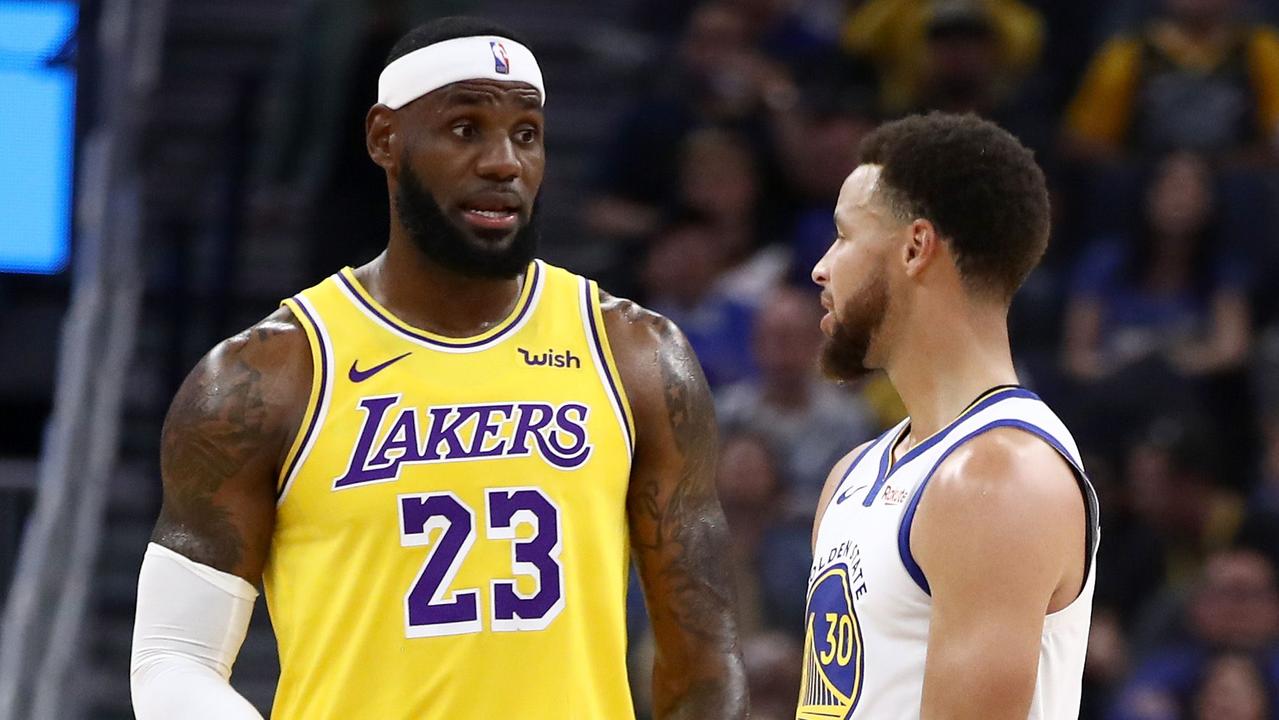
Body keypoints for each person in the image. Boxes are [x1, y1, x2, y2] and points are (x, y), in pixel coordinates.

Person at [129, 17, 746, 720]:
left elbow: (703, 665)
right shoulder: (265, 376)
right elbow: (172, 658)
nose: (503, 162)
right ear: (384, 138)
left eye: (525, 134)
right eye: (465, 129)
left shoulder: (636, 355)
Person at [799, 112, 1099, 719]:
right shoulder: (853, 473)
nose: (821, 267)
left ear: (915, 248)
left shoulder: (1000, 478)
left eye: (844, 236)